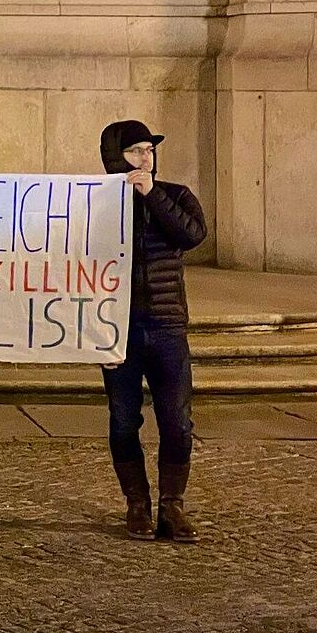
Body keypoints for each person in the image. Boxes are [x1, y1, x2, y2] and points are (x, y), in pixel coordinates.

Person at [99, 119, 207, 542]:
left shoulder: (174, 196)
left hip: (166, 326)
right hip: (118, 329)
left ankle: (172, 506)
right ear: (115, 158)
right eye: (135, 151)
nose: (146, 158)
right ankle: (137, 504)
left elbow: (191, 234)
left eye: (149, 150)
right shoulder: (97, 202)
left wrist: (151, 194)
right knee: (124, 420)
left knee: (177, 421)